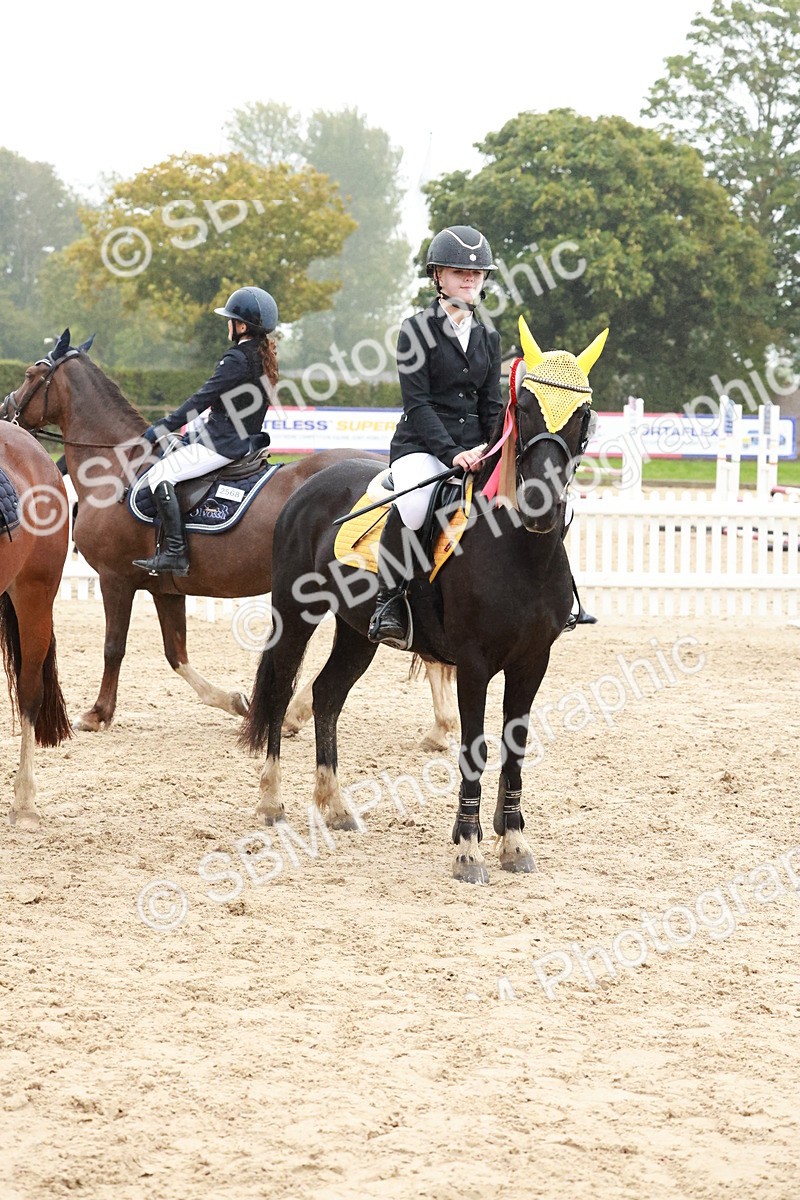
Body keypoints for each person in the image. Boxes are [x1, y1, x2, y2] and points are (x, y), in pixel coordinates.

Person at [368, 224, 502, 648]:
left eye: (477, 274)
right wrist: (452, 454)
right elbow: (418, 403)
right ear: (438, 277)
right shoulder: (415, 329)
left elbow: (490, 403)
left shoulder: (488, 336)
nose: (470, 279)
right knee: (413, 505)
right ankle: (388, 602)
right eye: (460, 271)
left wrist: (497, 448)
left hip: (477, 447)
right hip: (422, 446)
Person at [133, 286, 278, 577]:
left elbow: (201, 400)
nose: (227, 324)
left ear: (240, 326)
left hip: (222, 445)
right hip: (240, 440)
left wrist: (158, 429)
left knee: (161, 474)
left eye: (230, 319)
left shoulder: (236, 358)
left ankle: (175, 552)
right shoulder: (261, 356)